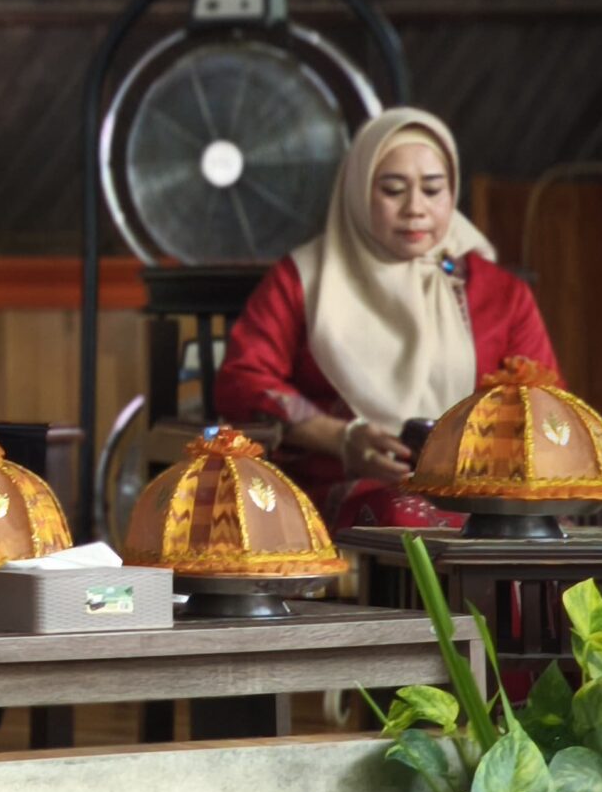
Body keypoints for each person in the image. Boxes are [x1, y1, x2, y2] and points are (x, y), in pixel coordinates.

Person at [217, 106, 558, 522]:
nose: (415, 208)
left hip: (481, 491)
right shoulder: (306, 279)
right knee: (406, 518)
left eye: (433, 190)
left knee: (546, 532)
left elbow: (546, 401)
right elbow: (242, 380)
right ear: (358, 192)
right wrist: (342, 439)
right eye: (393, 190)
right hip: (340, 485)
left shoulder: (501, 293)